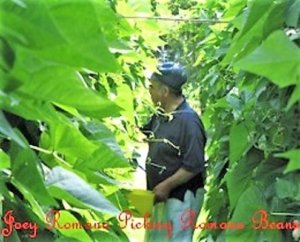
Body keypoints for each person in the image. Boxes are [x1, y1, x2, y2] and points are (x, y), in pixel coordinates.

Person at [141, 62, 206, 241]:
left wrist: (166, 185)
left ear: (165, 92)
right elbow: (145, 132)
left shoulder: (189, 122)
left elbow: (194, 165)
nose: (149, 91)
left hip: (181, 198)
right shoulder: (161, 115)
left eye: (152, 87)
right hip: (160, 197)